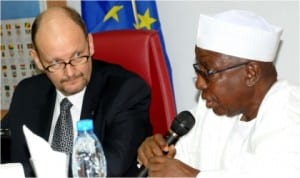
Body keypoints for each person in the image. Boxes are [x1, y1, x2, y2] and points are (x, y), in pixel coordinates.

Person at [137, 9, 300, 178]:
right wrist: (154, 155)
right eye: (198, 70)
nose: (199, 83)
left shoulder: (291, 114)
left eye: (208, 72)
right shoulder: (213, 109)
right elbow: (178, 159)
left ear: (251, 73)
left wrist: (192, 176)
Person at [1, 6, 152, 177]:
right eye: (56, 63)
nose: (71, 72)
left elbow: (110, 167)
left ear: (90, 44)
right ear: (38, 61)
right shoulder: (27, 93)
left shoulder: (125, 91)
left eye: (78, 56)